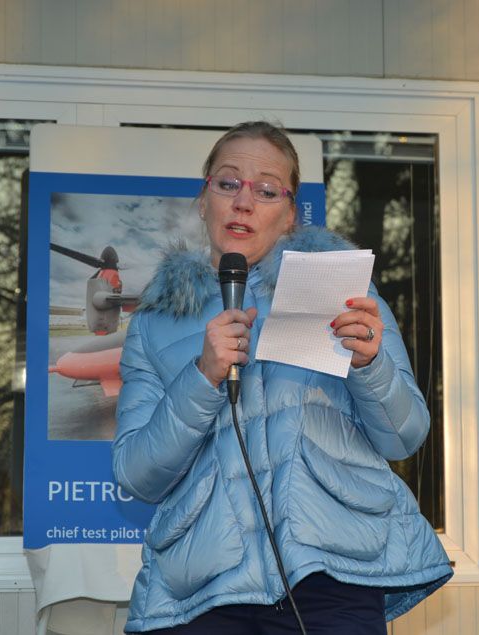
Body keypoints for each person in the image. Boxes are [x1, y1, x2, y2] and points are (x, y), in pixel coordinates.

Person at [112, 121, 452, 634]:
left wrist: (370, 366)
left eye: (267, 190)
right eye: (228, 183)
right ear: (203, 199)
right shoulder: (155, 321)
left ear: (291, 214)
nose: (243, 202)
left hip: (332, 577)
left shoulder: (343, 292)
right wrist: (202, 377)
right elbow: (136, 475)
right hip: (204, 590)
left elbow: (404, 437)